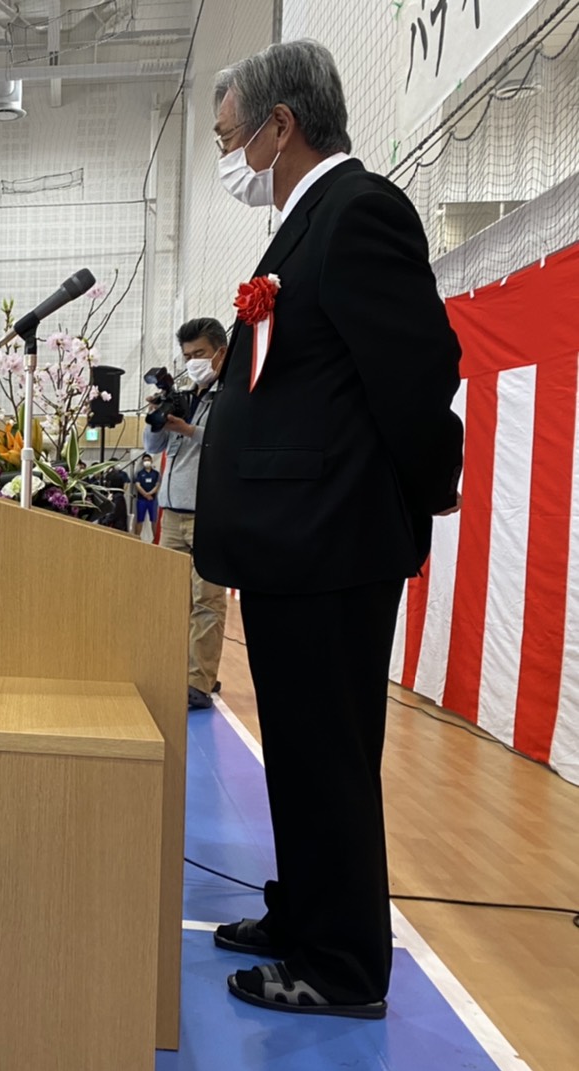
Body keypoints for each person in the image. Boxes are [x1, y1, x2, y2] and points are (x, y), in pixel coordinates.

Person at [196, 40, 464, 1020]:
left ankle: (341, 964)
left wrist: (414, 492)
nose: (225, 156)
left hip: (329, 542)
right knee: (301, 752)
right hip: (290, 541)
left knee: (328, 757)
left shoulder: (358, 213)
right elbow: (280, 380)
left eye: (229, 137)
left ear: (280, 125)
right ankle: (302, 912)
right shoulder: (296, 231)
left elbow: (415, 372)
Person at [145, 319, 230, 711]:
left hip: (209, 512)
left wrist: (189, 429)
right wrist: (160, 416)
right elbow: (154, 443)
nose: (193, 362)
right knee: (169, 599)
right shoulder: (185, 397)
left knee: (206, 599)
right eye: (187, 356)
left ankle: (199, 681)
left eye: (199, 354)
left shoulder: (231, 396)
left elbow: (227, 440)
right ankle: (175, 670)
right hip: (172, 510)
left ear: (220, 352)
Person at [131, 455, 159, 536]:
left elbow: (157, 485)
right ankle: (137, 538)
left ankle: (155, 540)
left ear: (151, 460)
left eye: (148, 460)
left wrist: (150, 494)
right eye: (145, 460)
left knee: (154, 520)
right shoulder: (139, 473)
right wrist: (146, 495)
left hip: (152, 501)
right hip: (141, 500)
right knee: (140, 520)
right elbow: (137, 485)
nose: (146, 461)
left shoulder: (156, 473)